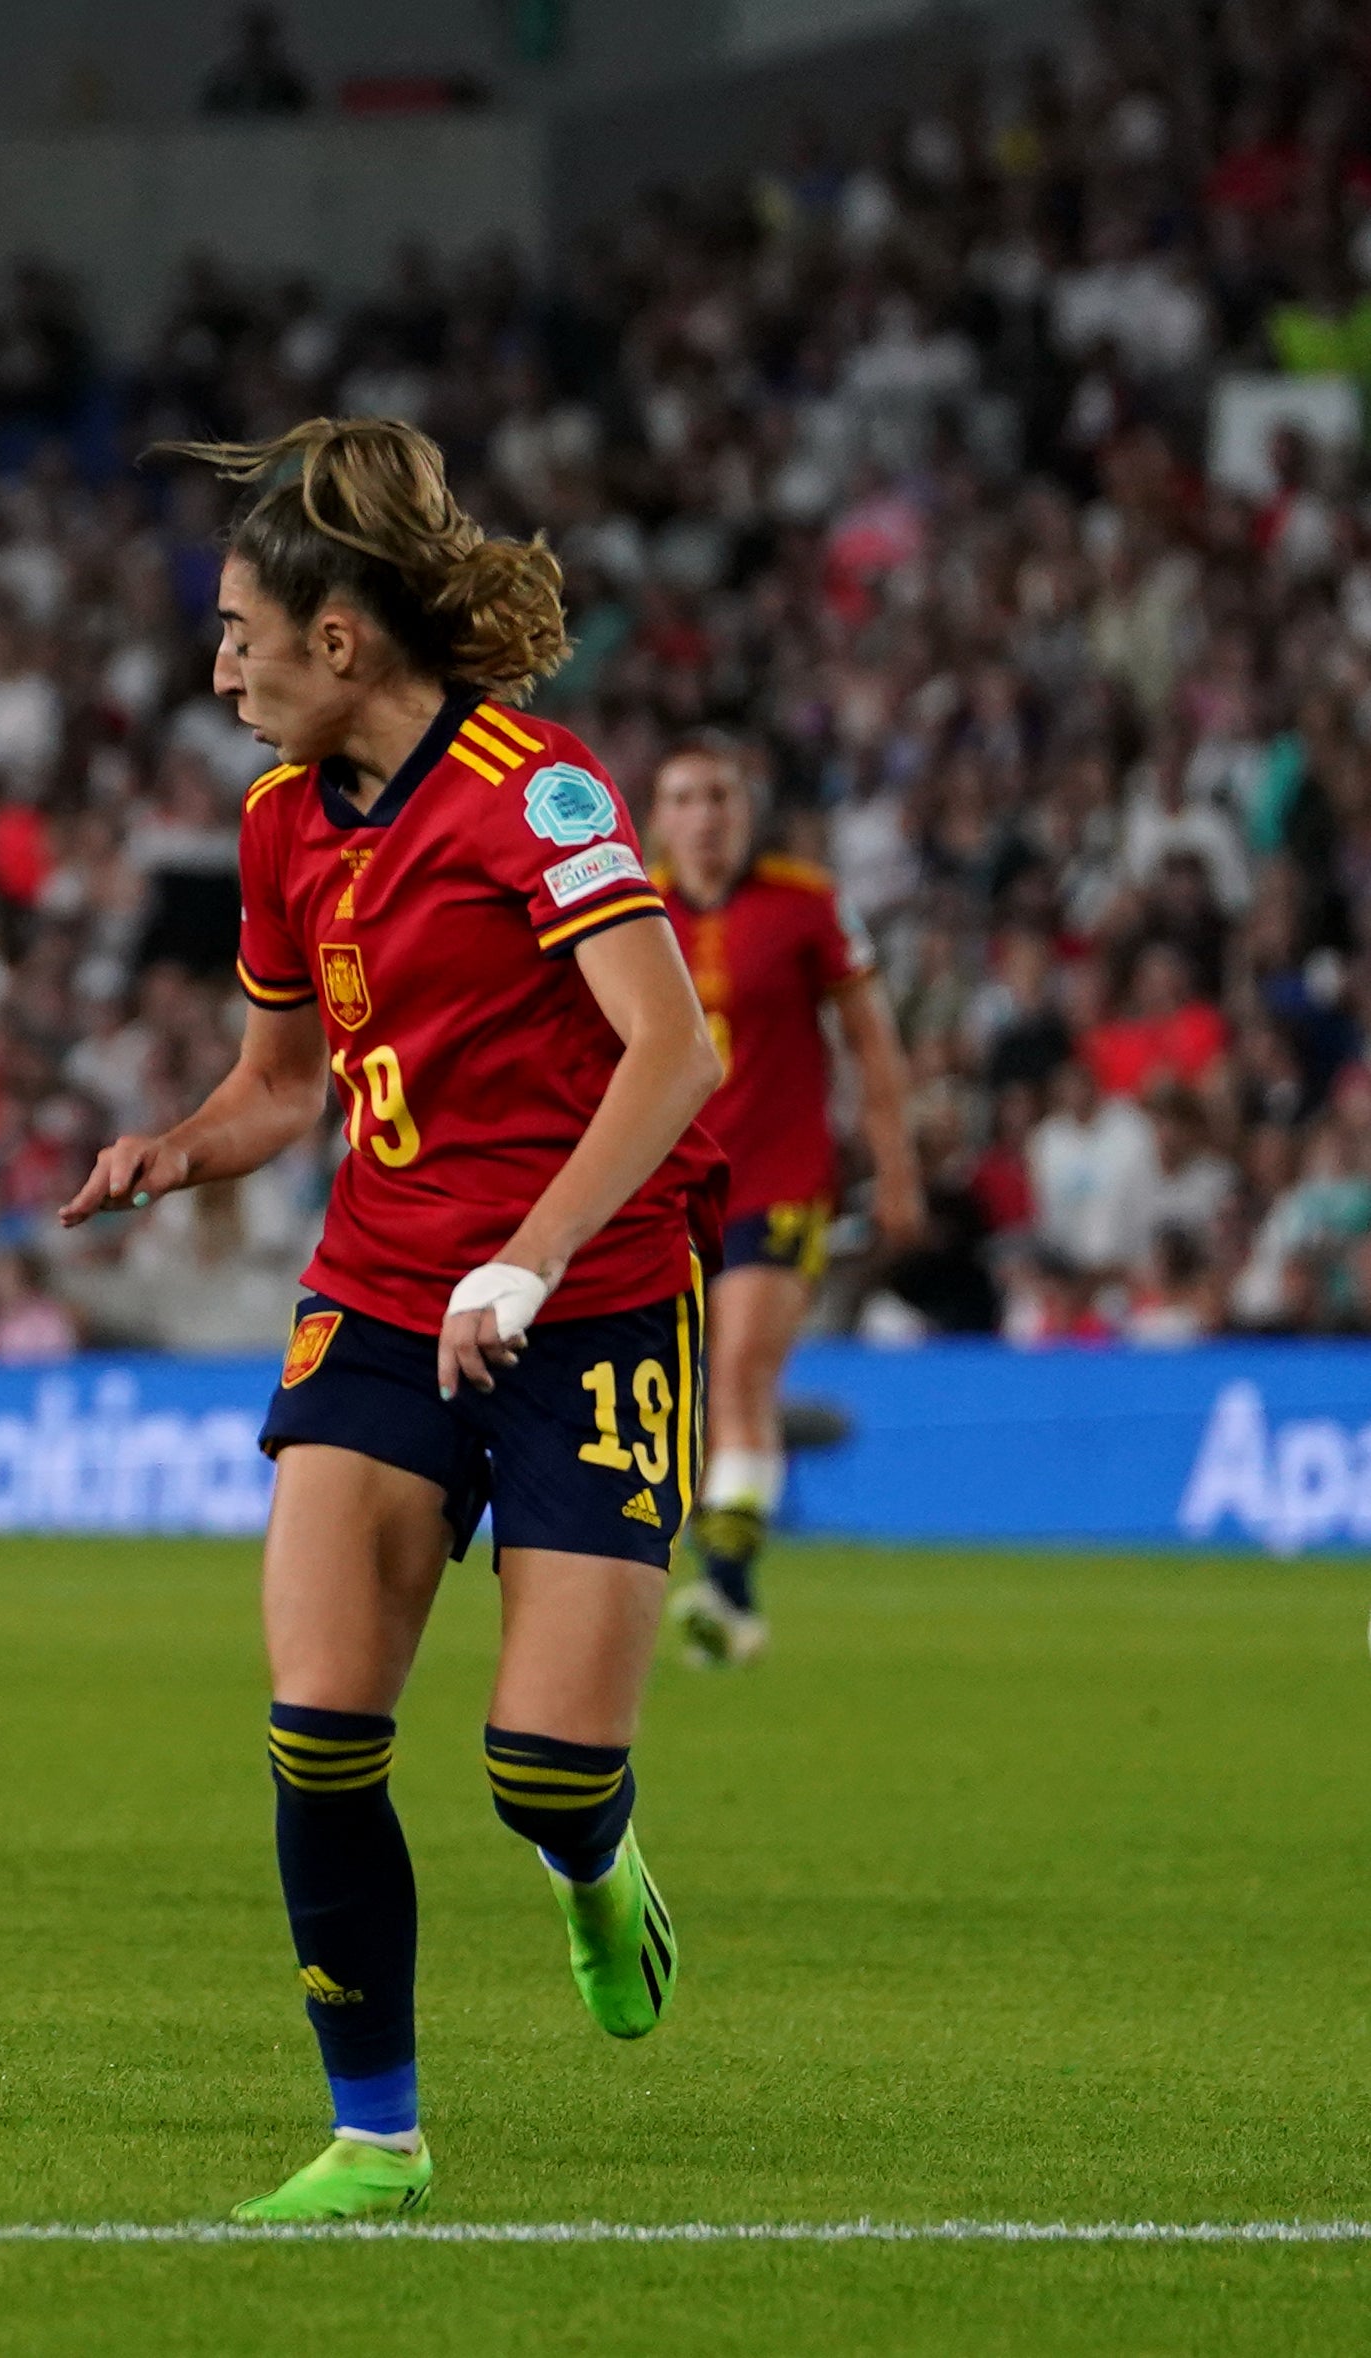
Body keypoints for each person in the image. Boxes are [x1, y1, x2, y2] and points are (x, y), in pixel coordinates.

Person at [62, 417, 724, 2222]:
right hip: (371, 1294)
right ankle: (373, 2135)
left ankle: (594, 1864)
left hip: (581, 1299)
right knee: (316, 1724)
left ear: (333, 642)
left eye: (233, 631)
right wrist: (176, 1150)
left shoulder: (534, 788)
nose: (216, 667)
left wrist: (523, 1254)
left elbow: (675, 1047)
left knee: (537, 1765)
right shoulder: (280, 821)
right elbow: (283, 1082)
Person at [646, 739, 918, 1666]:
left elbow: (872, 1050)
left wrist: (897, 1170)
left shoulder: (804, 904)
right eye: (685, 797)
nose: (706, 814)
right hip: (666, 1185)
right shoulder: (630, 913)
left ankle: (721, 1590)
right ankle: (731, 1582)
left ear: (745, 810)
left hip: (779, 1179)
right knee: (691, 1392)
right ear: (660, 817)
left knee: (739, 1372)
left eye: (720, 794)